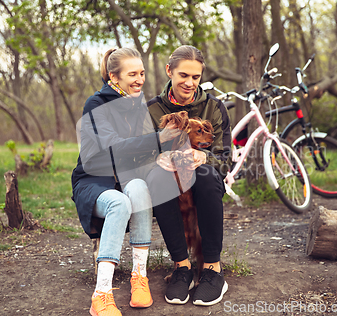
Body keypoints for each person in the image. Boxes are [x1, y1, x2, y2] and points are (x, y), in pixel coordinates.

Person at [71, 47, 180, 316]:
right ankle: (102, 294)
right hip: (94, 182)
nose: (139, 79)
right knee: (119, 203)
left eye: (142, 73)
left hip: (126, 179)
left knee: (140, 189)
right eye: (132, 74)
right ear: (113, 77)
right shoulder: (95, 104)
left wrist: (164, 156)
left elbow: (144, 151)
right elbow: (114, 147)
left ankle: (139, 277)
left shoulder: (138, 105)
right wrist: (158, 138)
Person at [146, 45, 232, 306]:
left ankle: (212, 270)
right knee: (159, 178)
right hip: (167, 180)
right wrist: (158, 158)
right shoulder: (152, 110)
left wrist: (205, 157)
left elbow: (225, 157)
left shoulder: (214, 108)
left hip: (205, 179)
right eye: (184, 75)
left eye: (196, 77)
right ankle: (182, 268)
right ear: (169, 71)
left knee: (204, 174)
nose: (190, 83)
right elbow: (137, 154)